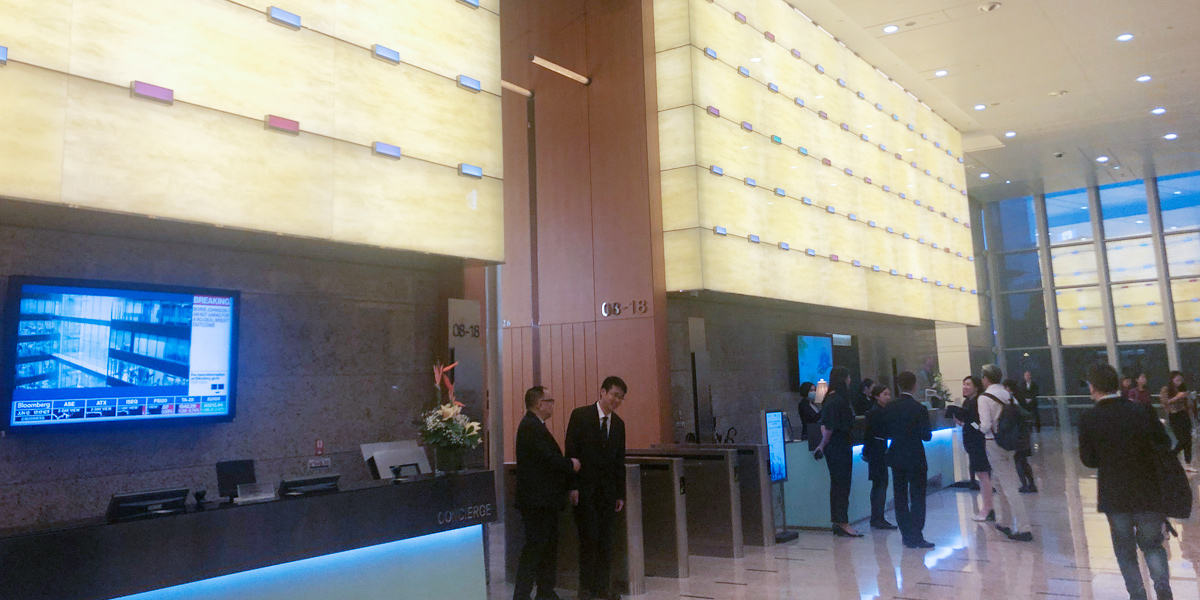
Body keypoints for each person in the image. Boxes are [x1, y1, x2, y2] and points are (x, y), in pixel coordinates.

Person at [1079, 362, 1173, 600]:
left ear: (1093, 387)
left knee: (1125, 549)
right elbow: (1164, 444)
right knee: (1152, 545)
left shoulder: (1089, 418)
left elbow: (1089, 460)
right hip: (1148, 490)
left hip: (1115, 494)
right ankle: (1163, 590)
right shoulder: (1142, 411)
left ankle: (1137, 594)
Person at [514, 386, 581, 600]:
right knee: (535, 548)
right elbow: (548, 459)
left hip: (545, 500)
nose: (553, 405)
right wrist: (570, 464)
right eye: (550, 401)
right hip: (537, 502)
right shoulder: (530, 427)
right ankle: (522, 594)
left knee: (547, 547)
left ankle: (545, 591)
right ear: (539, 404)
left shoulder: (535, 426)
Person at [565, 376, 628, 600]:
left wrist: (620, 494)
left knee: (606, 541)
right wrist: (572, 486)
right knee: (588, 540)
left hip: (608, 493)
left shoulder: (618, 424)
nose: (616, 400)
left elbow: (619, 461)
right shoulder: (580, 416)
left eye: (621, 397)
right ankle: (585, 588)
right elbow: (571, 452)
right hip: (585, 491)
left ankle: (602, 587)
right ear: (602, 392)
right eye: (614, 395)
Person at [978, 364, 1033, 541]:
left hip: (993, 442)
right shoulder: (1008, 394)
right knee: (999, 481)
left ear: (986, 378)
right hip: (1010, 443)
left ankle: (1024, 528)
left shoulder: (984, 398)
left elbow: (985, 425)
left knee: (1008, 485)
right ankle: (1004, 521)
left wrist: (976, 427)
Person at [884, 371, 934, 549]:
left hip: (896, 455)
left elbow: (886, 431)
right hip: (915, 456)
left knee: (900, 495)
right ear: (914, 385)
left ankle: (906, 534)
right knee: (918, 495)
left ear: (898, 386)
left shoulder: (890, 407)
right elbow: (926, 436)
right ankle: (917, 533)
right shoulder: (920, 408)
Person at [813, 366, 862, 537]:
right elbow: (830, 428)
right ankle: (842, 522)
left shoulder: (830, 399)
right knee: (842, 484)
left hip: (836, 446)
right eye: (848, 377)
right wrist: (822, 444)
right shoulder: (837, 400)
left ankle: (839, 521)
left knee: (838, 484)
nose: (850, 381)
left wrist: (823, 444)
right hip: (839, 446)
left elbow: (825, 425)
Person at [959, 375, 995, 521]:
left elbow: (978, 424)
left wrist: (969, 422)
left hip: (978, 442)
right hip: (970, 442)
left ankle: (988, 508)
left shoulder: (978, 402)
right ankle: (987, 507)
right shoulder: (967, 402)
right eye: (964, 384)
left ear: (976, 387)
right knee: (981, 474)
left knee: (983, 474)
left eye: (968, 384)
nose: (965, 387)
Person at [862, 383, 896, 530]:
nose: (888, 397)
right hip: (877, 451)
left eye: (889, 394)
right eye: (885, 394)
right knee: (880, 483)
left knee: (880, 484)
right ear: (877, 396)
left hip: (878, 450)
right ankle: (878, 518)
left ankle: (877, 517)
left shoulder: (881, 411)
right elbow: (870, 434)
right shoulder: (876, 412)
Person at [1005, 379, 1037, 494]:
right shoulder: (1020, 398)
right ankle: (1031, 484)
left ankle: (1024, 484)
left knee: (1018, 459)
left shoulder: (1013, 401)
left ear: (1009, 388)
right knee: (1023, 459)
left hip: (1018, 433)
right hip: (1024, 432)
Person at [1162, 371, 1194, 472]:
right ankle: (1170, 456)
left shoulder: (1183, 388)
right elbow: (1165, 402)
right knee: (1182, 440)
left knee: (1188, 440)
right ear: (1172, 380)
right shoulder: (1166, 389)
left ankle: (1188, 463)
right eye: (1177, 380)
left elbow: (1188, 405)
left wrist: (1188, 398)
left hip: (1184, 415)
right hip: (1174, 416)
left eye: (1180, 380)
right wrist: (1177, 397)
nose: (1179, 382)